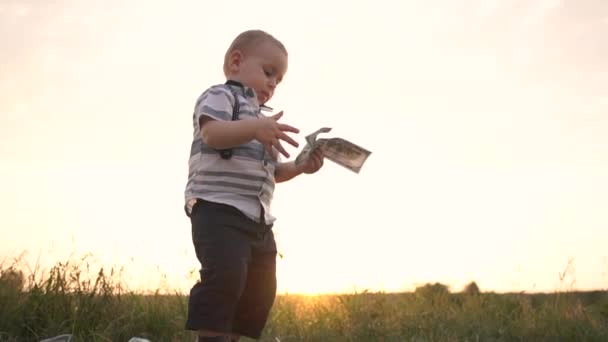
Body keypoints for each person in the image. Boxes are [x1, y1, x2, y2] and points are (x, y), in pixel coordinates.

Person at [183, 29, 324, 342]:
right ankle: (211, 337)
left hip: (257, 220)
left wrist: (300, 167)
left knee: (260, 287)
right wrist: (255, 127)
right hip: (217, 209)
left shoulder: (261, 121)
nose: (273, 84)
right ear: (236, 61)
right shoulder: (221, 97)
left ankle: (235, 336)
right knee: (226, 277)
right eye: (268, 72)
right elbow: (213, 135)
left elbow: (271, 173)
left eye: (279, 79)